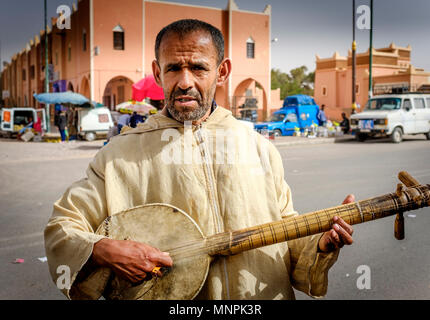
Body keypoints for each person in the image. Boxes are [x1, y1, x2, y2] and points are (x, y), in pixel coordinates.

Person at [44, 19, 354, 300]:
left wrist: (319, 244)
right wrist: (103, 248)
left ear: (222, 71)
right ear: (157, 72)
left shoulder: (258, 148)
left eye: (198, 68)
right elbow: (62, 227)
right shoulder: (118, 156)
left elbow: (286, 231)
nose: (184, 82)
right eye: (173, 69)